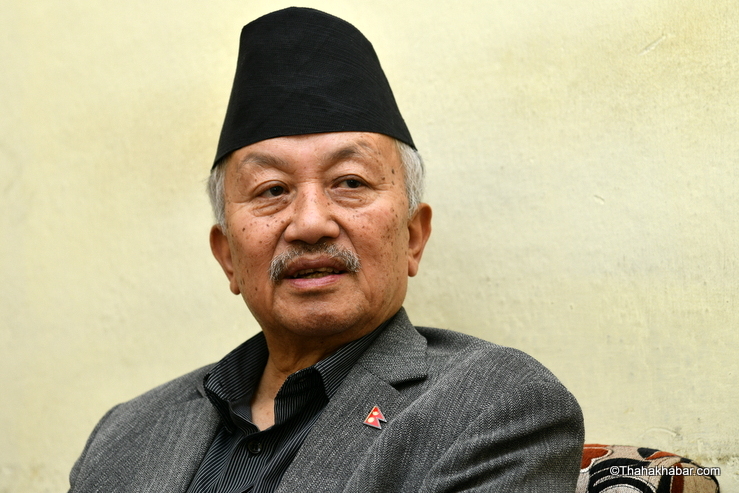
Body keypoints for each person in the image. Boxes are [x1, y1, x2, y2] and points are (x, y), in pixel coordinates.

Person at [68, 7, 584, 493]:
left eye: (350, 182)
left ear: (413, 237)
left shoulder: (494, 405)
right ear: (227, 256)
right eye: (272, 190)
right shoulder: (126, 433)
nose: (311, 224)